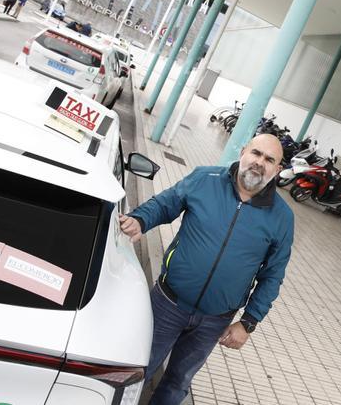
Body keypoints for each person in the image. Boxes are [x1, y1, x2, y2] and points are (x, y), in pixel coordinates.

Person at [119, 134, 294, 405]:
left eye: (269, 159)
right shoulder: (205, 179)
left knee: (178, 382)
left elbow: (272, 275)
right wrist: (141, 220)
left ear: (278, 170)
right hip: (167, 304)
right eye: (256, 153)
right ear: (243, 151)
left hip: (215, 319)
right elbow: (165, 204)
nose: (260, 162)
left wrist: (248, 322)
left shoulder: (282, 217)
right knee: (137, 369)